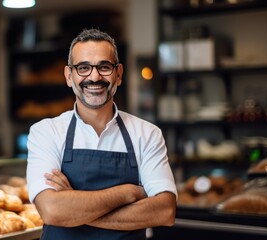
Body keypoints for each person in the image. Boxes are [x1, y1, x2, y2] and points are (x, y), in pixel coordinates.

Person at [26, 29, 177, 240]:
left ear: (119, 74)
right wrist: (128, 193)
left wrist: (72, 206)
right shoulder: (46, 132)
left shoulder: (147, 134)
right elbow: (52, 211)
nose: (95, 76)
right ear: (69, 76)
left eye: (104, 67)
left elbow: (165, 212)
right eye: (83, 68)